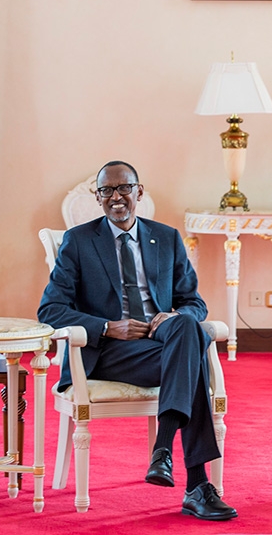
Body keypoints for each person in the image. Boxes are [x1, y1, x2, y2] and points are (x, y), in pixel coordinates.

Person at [38, 160, 237, 521]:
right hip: (107, 352)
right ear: (98, 198)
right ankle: (195, 483)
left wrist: (176, 317)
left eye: (124, 188)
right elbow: (50, 310)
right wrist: (107, 327)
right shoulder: (79, 242)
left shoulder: (167, 238)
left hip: (159, 343)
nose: (116, 198)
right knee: (190, 352)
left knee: (186, 327)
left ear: (139, 193)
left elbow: (194, 302)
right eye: (107, 191)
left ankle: (164, 451)